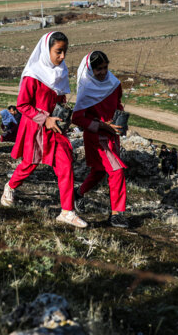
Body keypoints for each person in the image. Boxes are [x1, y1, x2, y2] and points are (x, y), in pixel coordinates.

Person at [0, 32, 86, 228]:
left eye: (65, 51)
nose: (63, 56)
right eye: (58, 51)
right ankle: (10, 187)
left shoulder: (60, 71)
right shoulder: (33, 74)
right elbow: (22, 105)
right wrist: (44, 118)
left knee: (65, 165)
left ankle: (67, 211)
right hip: (36, 127)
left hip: (54, 128)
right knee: (29, 163)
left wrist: (62, 115)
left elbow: (60, 99)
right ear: (46, 51)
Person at [71, 51, 128, 228]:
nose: (103, 72)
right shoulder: (86, 88)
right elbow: (78, 118)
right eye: (98, 69)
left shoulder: (114, 84)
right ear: (90, 69)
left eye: (105, 67)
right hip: (96, 137)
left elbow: (117, 103)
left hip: (111, 136)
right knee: (116, 171)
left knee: (100, 171)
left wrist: (120, 119)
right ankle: (117, 214)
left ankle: (77, 193)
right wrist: (103, 125)